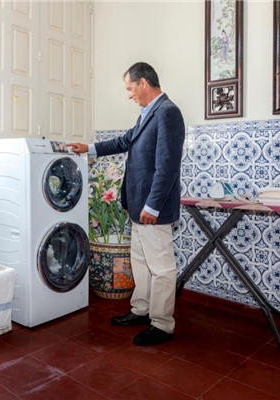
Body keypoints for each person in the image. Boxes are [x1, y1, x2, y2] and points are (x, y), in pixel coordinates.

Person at [67, 62, 185, 346]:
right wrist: (89, 148)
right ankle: (141, 309)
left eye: (130, 88)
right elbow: (123, 142)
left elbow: (167, 166)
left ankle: (162, 324)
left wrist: (153, 206)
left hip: (152, 209)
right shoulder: (148, 114)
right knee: (141, 262)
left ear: (144, 83)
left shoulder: (167, 112)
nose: (129, 94)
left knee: (161, 268)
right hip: (138, 206)